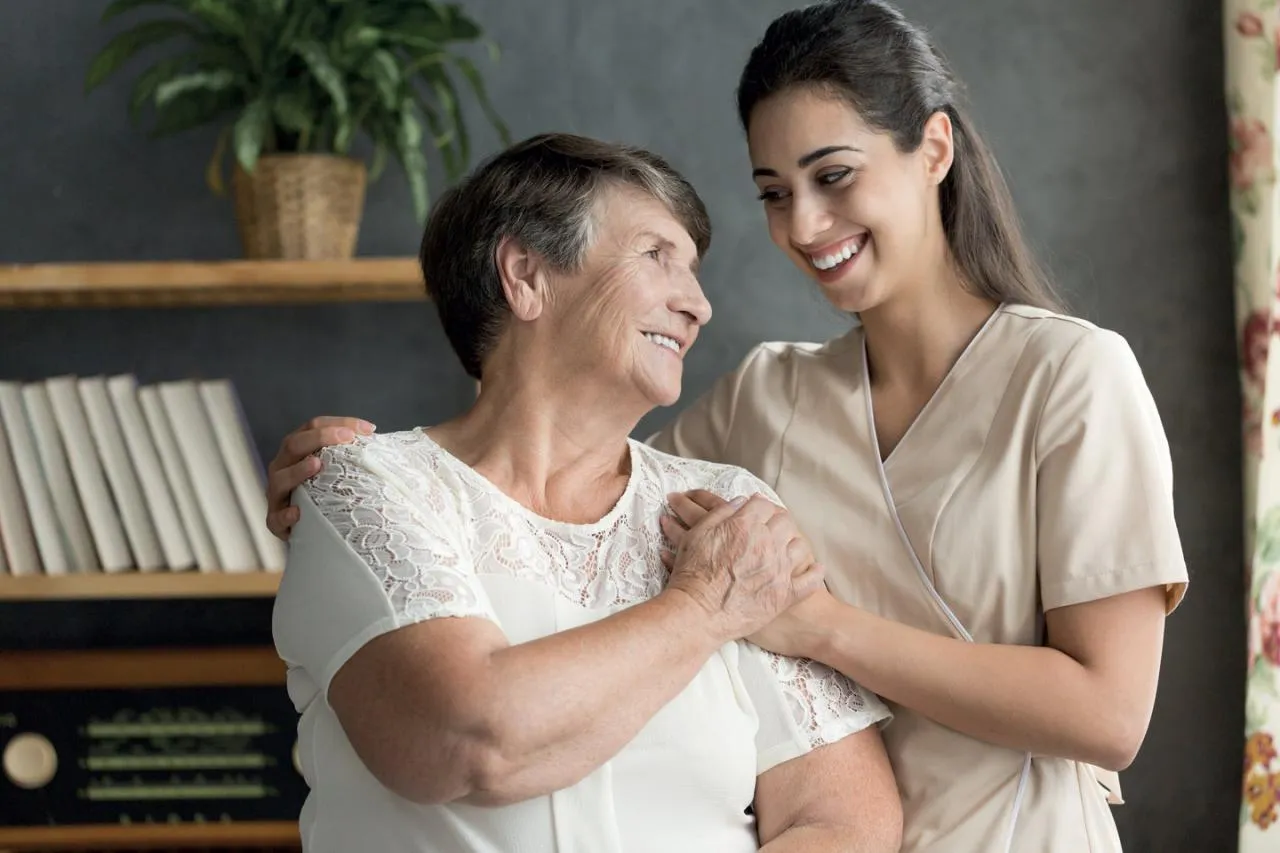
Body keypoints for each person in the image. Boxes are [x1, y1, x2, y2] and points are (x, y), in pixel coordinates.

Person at [266, 1, 1188, 851]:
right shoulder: (768, 397)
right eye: (775, 192)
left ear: (934, 148)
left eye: (833, 176)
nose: (805, 223)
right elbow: (568, 488)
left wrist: (817, 626)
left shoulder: (1071, 375)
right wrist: (350, 480)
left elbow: (1111, 714)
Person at [270, 132, 902, 853]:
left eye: (694, 272)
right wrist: (701, 608)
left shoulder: (725, 508)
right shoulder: (365, 484)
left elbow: (846, 821)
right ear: (526, 274)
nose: (698, 306)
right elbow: (463, 739)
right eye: (657, 256)